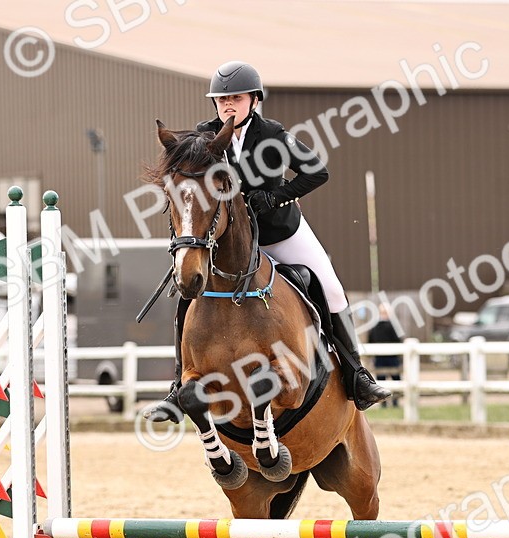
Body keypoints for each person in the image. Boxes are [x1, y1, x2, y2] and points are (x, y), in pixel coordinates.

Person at [147, 61, 391, 422]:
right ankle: (175, 388)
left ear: (254, 101)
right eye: (222, 99)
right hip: (230, 243)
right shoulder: (205, 137)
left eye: (236, 98)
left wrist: (275, 197)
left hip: (279, 233)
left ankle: (357, 375)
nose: (228, 104)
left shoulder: (273, 135)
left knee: (333, 289)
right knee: (190, 290)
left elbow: (316, 172)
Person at [367, 303, 402, 407]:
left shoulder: (374, 328)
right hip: (392, 358)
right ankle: (395, 402)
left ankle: (383, 403)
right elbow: (398, 341)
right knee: (396, 380)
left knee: (381, 381)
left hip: (379, 358)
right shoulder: (393, 327)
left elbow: (370, 341)